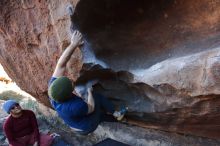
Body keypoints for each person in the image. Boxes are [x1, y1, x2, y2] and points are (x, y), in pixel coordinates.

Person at [48, 30, 126, 135]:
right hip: (85, 128)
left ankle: (116, 119)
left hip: (76, 121)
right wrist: (89, 91)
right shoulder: (75, 106)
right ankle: (116, 114)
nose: (71, 79)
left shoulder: (53, 90)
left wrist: (73, 44)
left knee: (100, 115)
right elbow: (91, 108)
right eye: (70, 83)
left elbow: (61, 64)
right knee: (96, 98)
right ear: (69, 92)